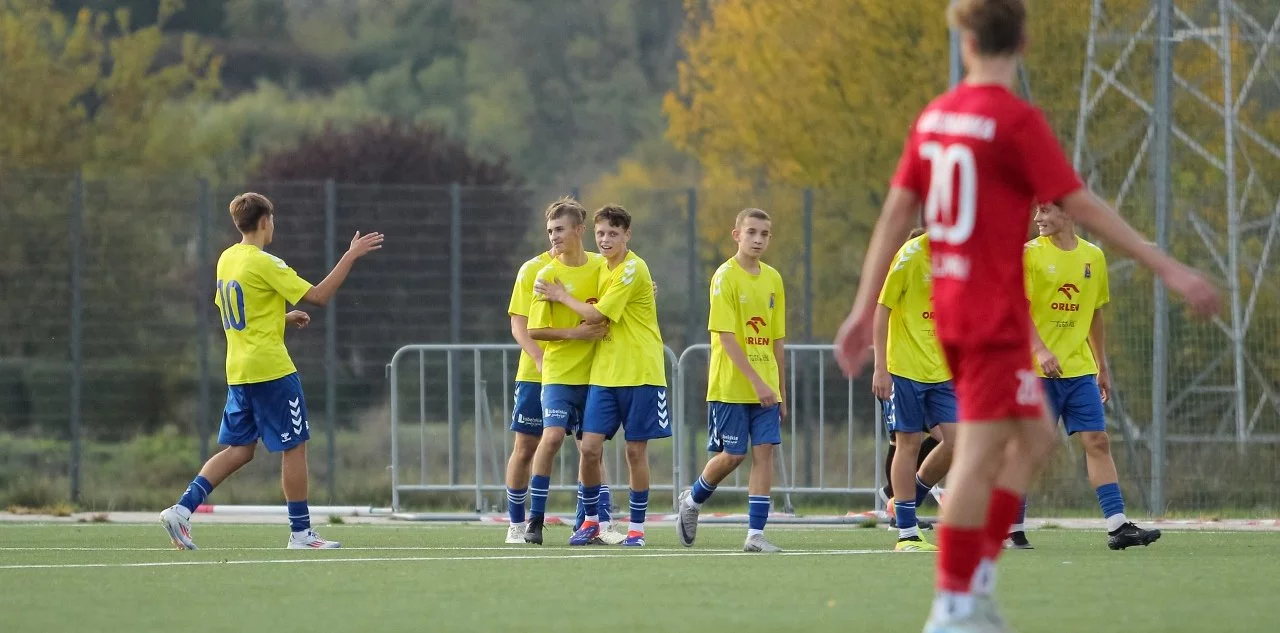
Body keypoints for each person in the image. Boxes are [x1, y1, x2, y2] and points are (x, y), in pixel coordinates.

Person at [833, 1, 1219, 630]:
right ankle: (956, 604)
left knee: (1034, 433)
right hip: (988, 317)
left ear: (963, 40)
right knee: (983, 450)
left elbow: (894, 215)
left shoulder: (934, 119)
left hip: (961, 313)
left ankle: (969, 591)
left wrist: (858, 308)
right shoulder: (1013, 121)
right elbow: (1082, 205)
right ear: (1025, 41)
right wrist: (1167, 266)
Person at [160, 192, 383, 550]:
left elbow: (241, 316)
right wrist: (350, 256)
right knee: (294, 447)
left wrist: (281, 317)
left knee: (240, 449)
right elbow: (319, 295)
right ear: (265, 222)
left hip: (239, 370)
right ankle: (301, 534)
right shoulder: (266, 262)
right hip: (272, 370)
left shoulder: (227, 259)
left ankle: (181, 510)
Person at [1017, 201, 1160, 551]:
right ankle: (1011, 527)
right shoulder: (1028, 255)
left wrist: (1102, 366)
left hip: (1079, 369)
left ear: (1070, 214)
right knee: (1028, 451)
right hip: (1035, 370)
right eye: (1036, 211)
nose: (1038, 218)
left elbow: (1094, 314)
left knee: (1098, 441)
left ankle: (1117, 526)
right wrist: (1040, 350)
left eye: (1046, 211)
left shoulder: (1093, 257)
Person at [536, 205, 670, 547]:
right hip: (604, 375)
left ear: (627, 235)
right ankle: (592, 522)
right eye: (601, 234)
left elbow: (595, 315)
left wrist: (560, 295)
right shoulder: (601, 268)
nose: (606, 239)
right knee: (590, 449)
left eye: (613, 233)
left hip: (641, 372)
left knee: (635, 453)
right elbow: (574, 265)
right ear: (591, 235)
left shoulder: (631, 268)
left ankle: (637, 530)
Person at [675, 208, 787, 553]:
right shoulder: (724, 277)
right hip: (731, 386)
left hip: (767, 387)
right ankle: (692, 501)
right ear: (736, 234)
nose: (758, 239)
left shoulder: (773, 279)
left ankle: (755, 535)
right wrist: (756, 382)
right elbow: (726, 338)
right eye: (751, 232)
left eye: (764, 234)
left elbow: (777, 340)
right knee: (733, 455)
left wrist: (781, 389)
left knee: (764, 452)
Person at [522, 197, 613, 545]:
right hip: (559, 373)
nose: (554, 236)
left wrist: (644, 292)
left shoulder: (601, 268)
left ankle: (588, 523)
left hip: (595, 374)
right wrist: (575, 333)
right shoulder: (547, 274)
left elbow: (616, 299)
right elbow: (534, 330)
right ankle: (535, 519)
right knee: (553, 437)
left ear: (579, 230)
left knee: (591, 450)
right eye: (549, 231)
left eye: (560, 229)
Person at [873, 229, 956, 551]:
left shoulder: (962, 255)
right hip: (905, 368)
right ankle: (907, 532)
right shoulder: (910, 255)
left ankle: (909, 499)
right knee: (907, 443)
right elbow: (882, 308)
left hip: (944, 371)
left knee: (959, 443)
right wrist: (881, 367)